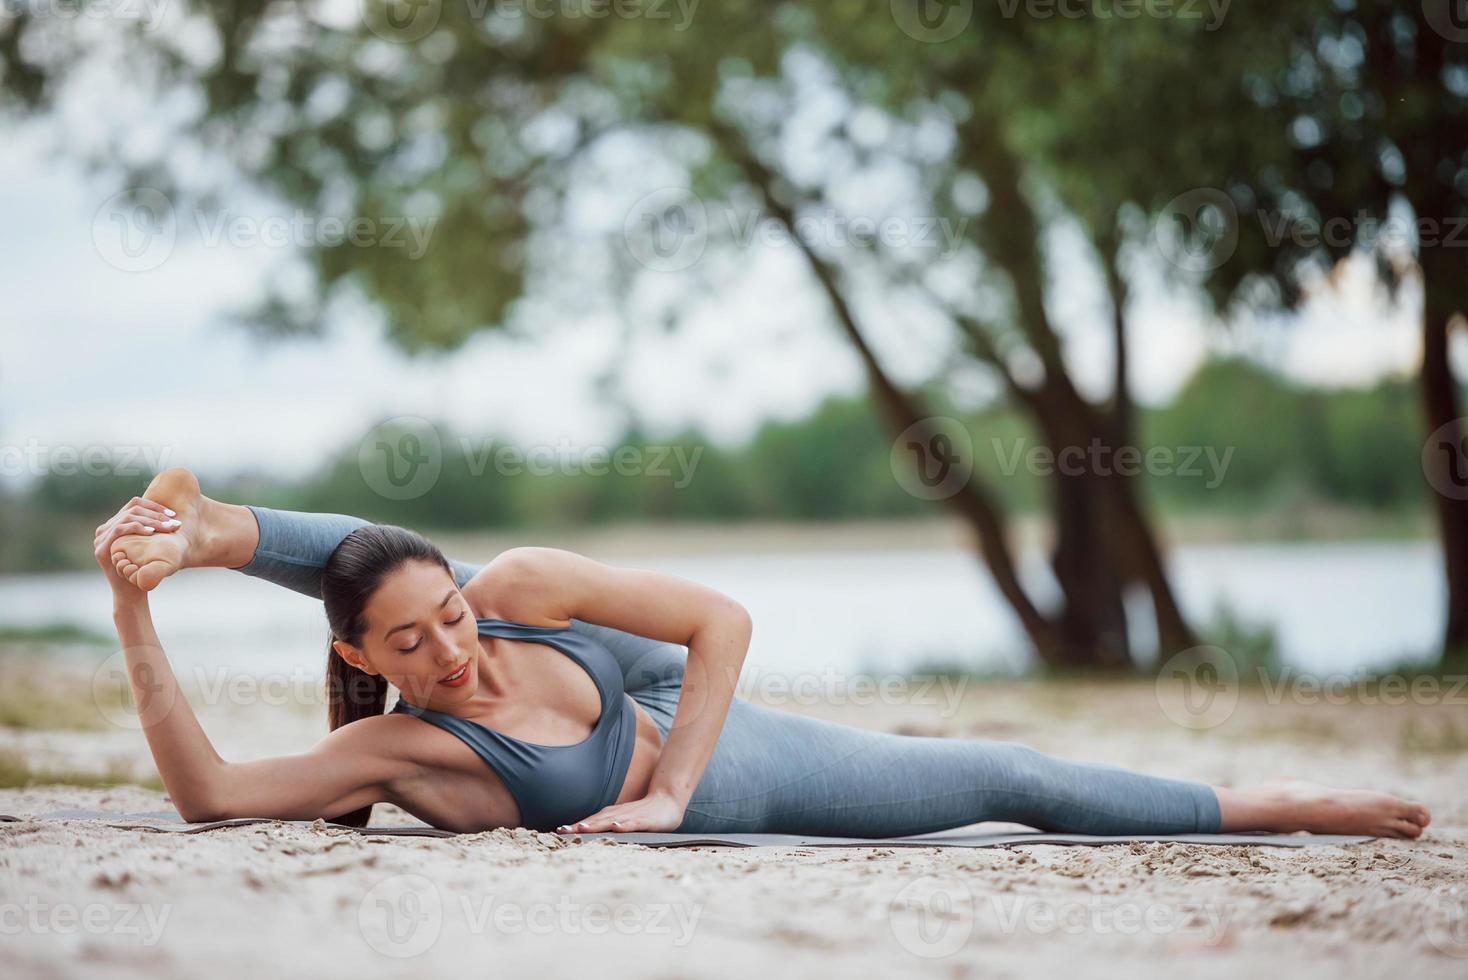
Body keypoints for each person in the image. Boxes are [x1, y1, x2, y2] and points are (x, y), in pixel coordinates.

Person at [96, 468, 1432, 840]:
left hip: (677, 722)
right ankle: (1272, 806)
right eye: (410, 644)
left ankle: (227, 529)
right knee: (998, 779)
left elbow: (721, 620)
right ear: (361, 658)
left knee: (450, 561)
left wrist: (671, 789)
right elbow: (209, 796)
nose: (448, 648)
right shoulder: (401, 746)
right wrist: (131, 614)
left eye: (446, 618)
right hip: (719, 767)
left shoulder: (506, 592)